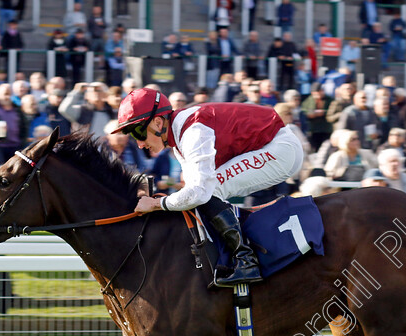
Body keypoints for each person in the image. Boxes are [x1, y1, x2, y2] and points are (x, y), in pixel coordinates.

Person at [113, 88, 304, 286]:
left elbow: (198, 193)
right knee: (204, 193)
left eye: (138, 132)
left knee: (208, 191)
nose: (139, 144)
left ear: (158, 122)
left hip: (281, 150)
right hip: (273, 146)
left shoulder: (193, 131)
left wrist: (156, 204)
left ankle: (247, 261)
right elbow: (190, 194)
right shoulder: (178, 136)